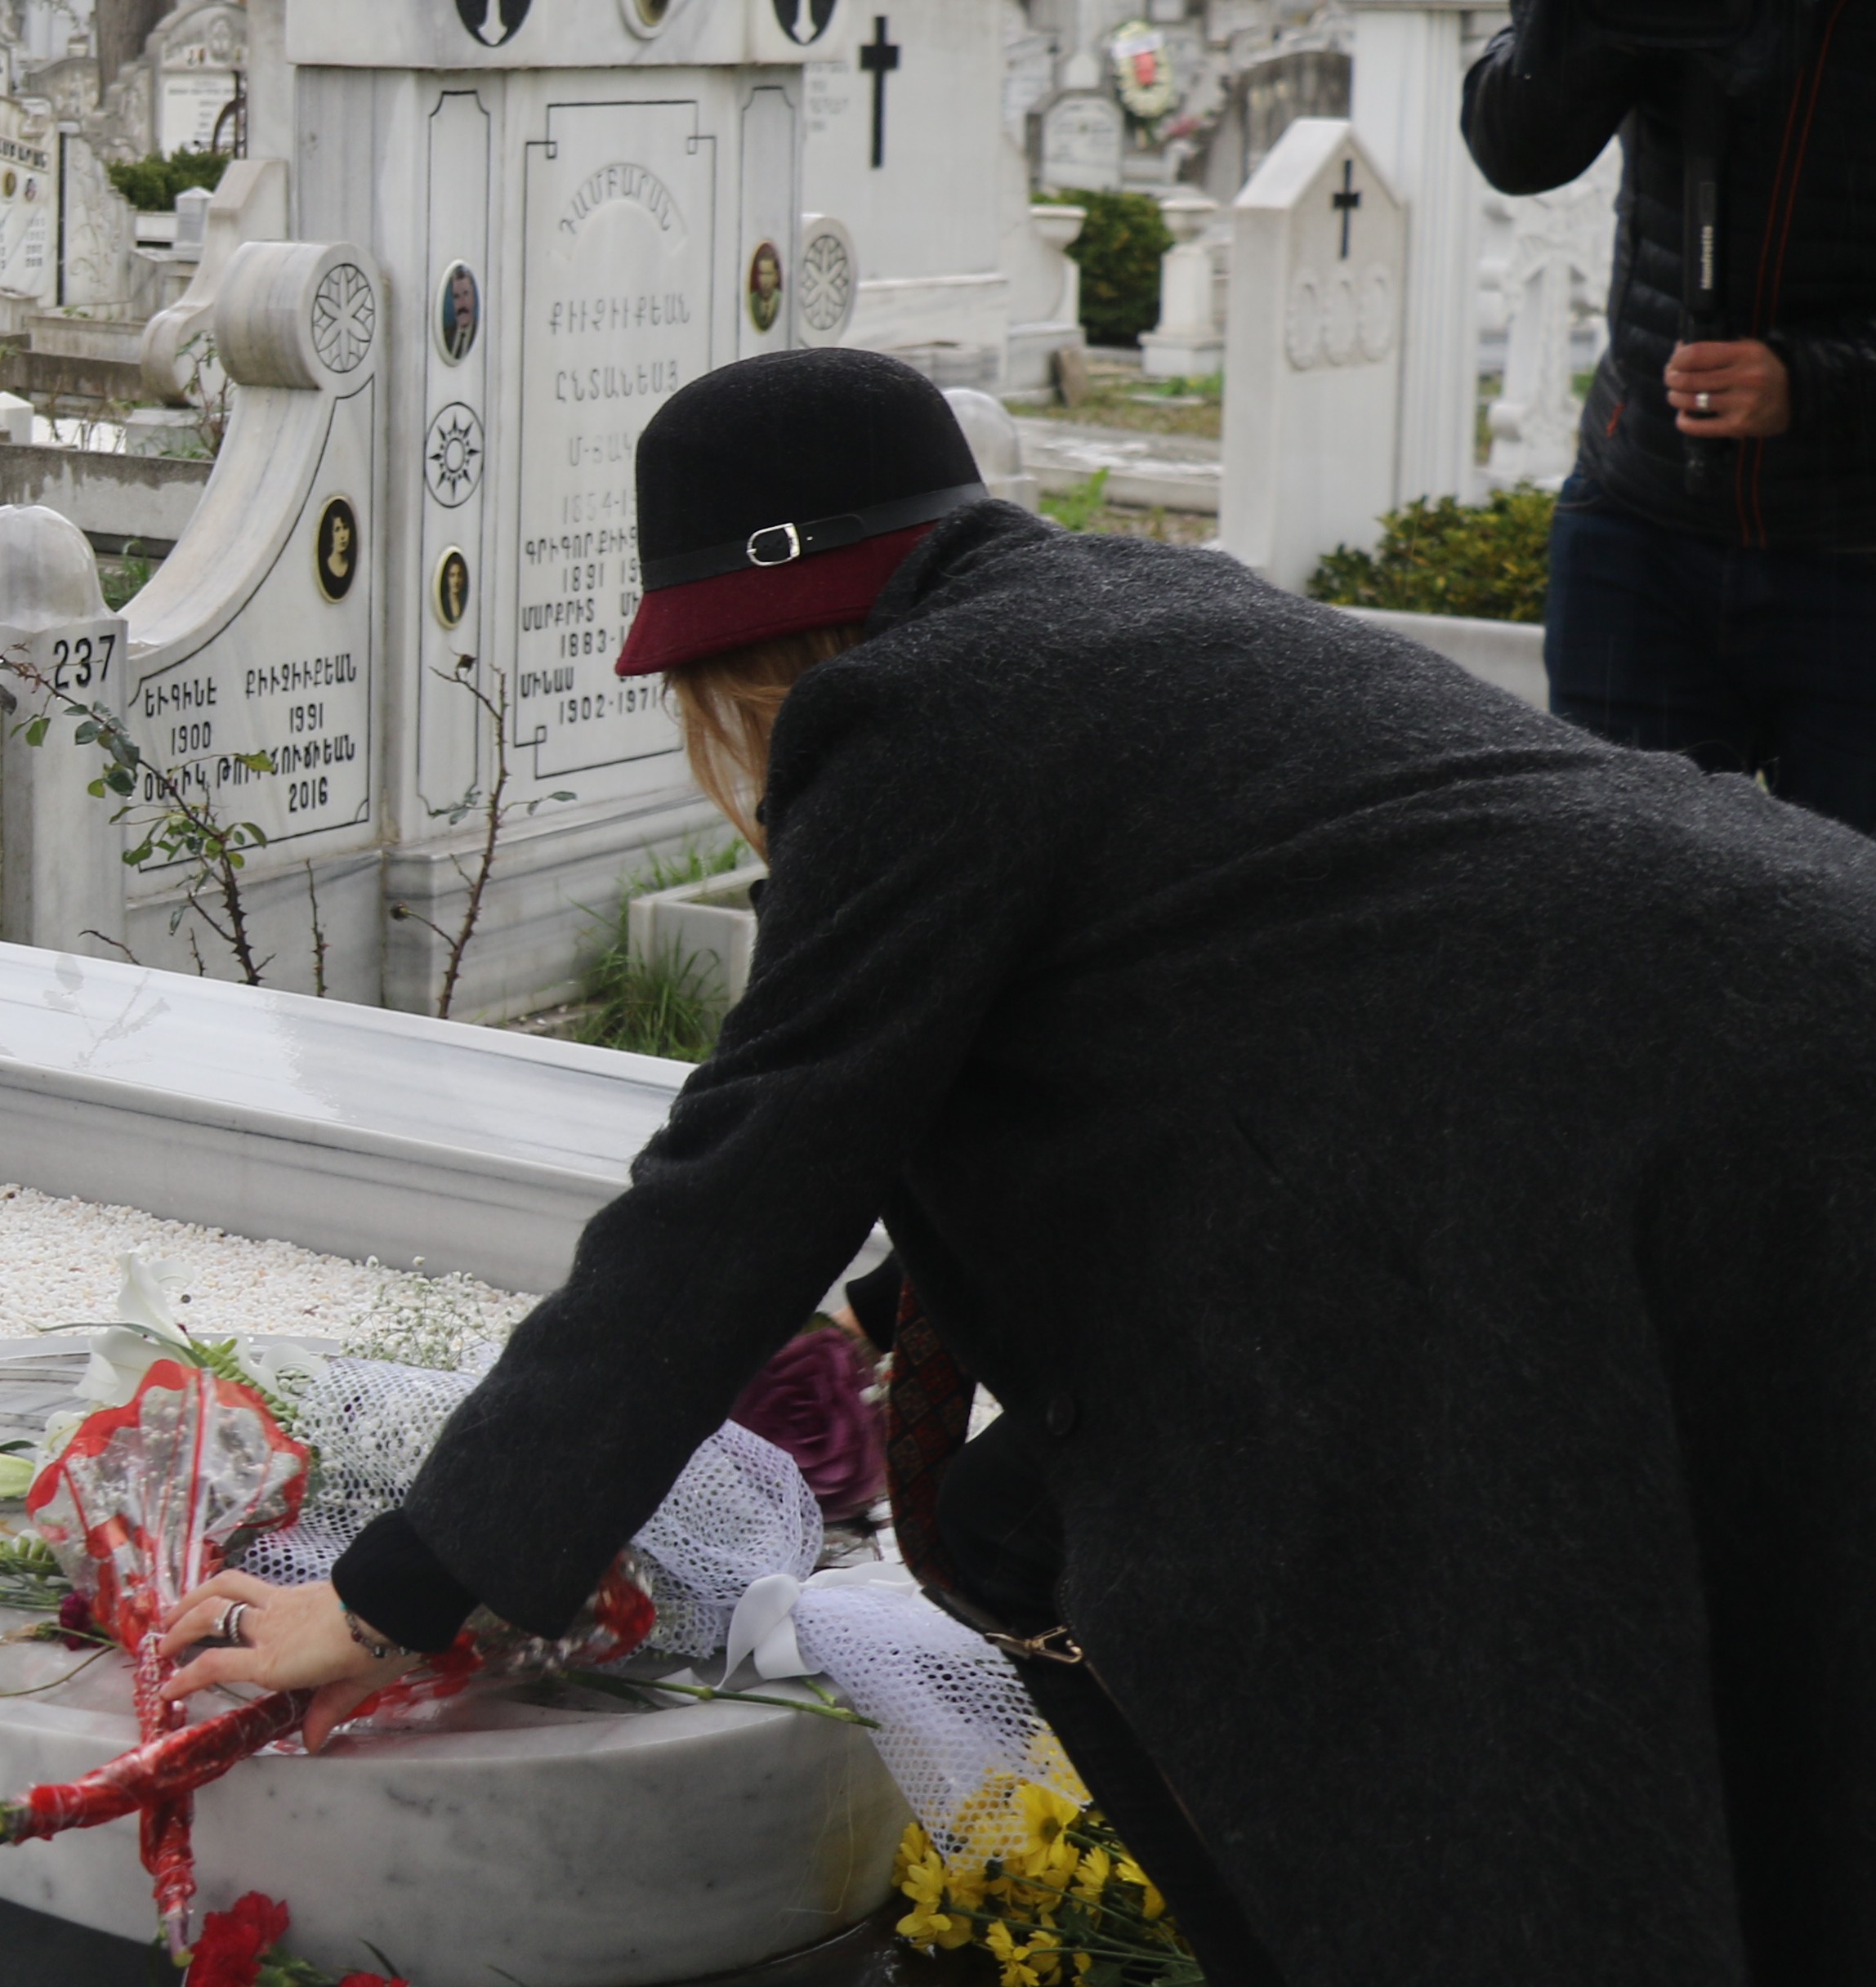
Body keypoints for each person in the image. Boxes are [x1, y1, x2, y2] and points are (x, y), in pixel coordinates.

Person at [159, 344, 1876, 1983]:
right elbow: (1186, 1028)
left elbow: (740, 1181)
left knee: (1418, 1704)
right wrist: (905, 1306)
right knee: (1776, 1701)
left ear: (743, 662)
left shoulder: (914, 713)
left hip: (1678, 1154)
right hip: (1783, 1065)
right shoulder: (1121, 608)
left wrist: (395, 1595)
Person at [1466, 0, 1876, 826]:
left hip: (1859, 555)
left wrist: (1806, 382)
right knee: (1623, 954)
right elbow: (1517, 146)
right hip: (1642, 529)